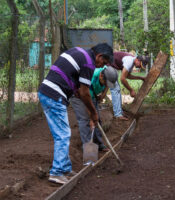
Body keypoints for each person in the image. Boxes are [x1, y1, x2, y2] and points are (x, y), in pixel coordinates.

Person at [38, 43, 113, 184]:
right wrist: (93, 113)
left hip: (48, 91)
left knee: (62, 133)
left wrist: (79, 96)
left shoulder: (80, 52)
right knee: (63, 134)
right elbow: (85, 93)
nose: (101, 66)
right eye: (103, 62)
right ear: (99, 56)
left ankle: (65, 168)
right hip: (54, 94)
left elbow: (76, 85)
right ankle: (57, 172)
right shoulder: (89, 64)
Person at [70, 66, 118, 152]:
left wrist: (103, 95)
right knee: (85, 120)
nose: (106, 85)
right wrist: (92, 118)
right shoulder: (90, 77)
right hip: (78, 94)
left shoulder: (108, 72)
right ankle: (88, 148)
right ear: (100, 76)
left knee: (97, 120)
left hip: (91, 95)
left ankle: (99, 144)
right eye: (105, 83)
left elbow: (107, 84)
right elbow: (86, 99)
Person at [109, 51, 149, 120]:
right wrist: (131, 90)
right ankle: (118, 114)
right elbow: (122, 79)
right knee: (115, 89)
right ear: (137, 60)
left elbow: (127, 76)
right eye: (140, 65)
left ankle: (119, 112)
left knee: (117, 89)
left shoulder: (132, 62)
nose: (139, 67)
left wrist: (140, 78)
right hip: (107, 65)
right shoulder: (129, 61)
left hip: (111, 66)